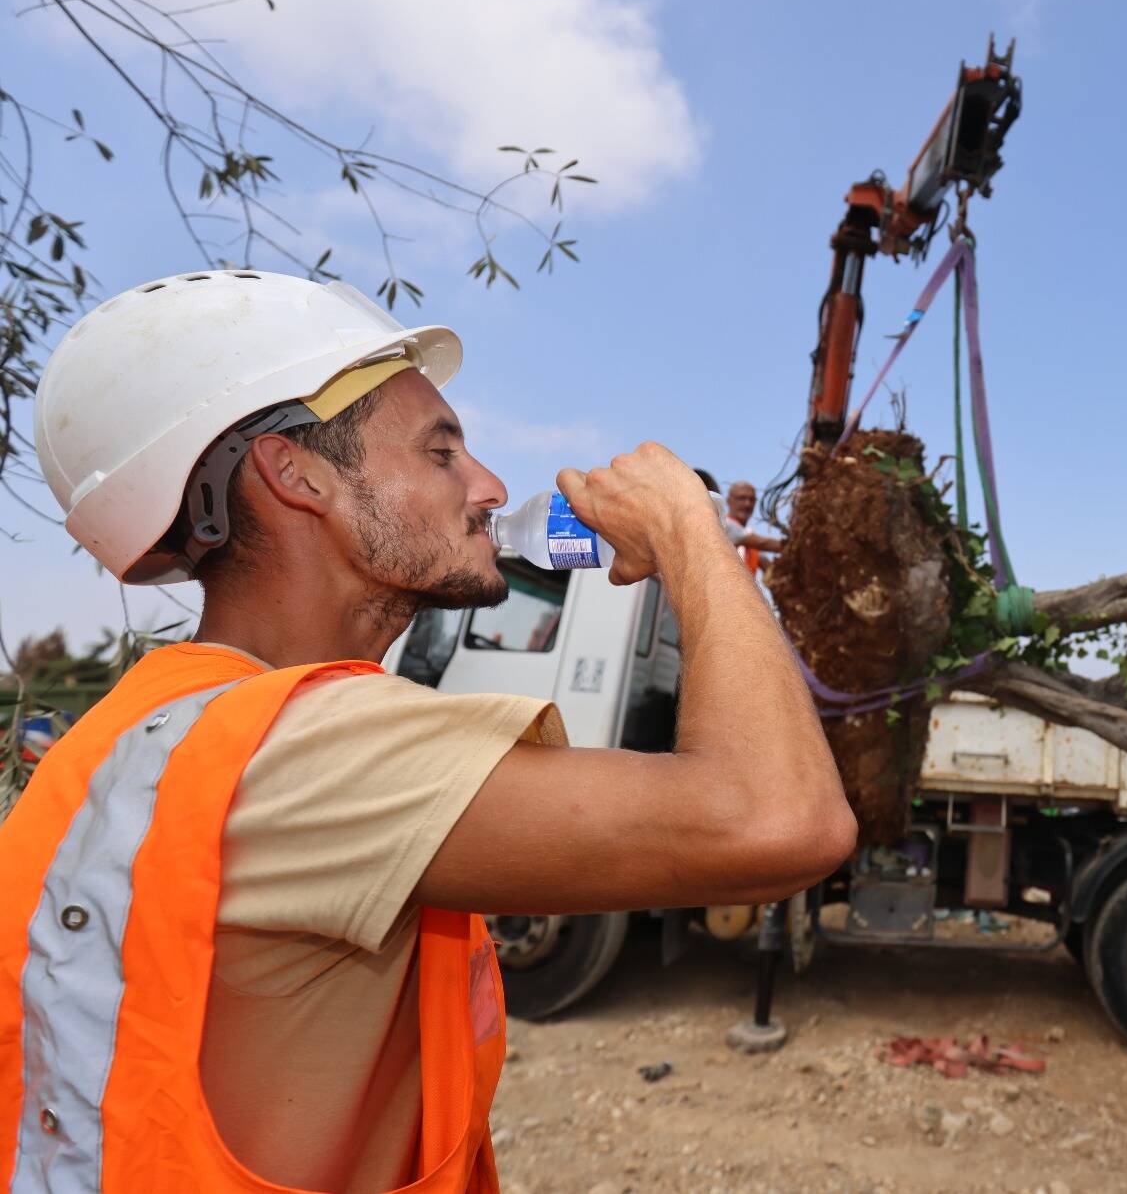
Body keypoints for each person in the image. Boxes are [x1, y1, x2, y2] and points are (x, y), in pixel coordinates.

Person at [1, 271, 855, 1192]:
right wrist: (691, 529)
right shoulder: (311, 745)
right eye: (441, 452)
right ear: (299, 476)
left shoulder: (162, 724)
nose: (489, 486)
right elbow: (781, 818)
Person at [725, 480, 784, 575]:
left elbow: (768, 567)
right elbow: (762, 543)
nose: (747, 504)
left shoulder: (749, 537)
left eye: (752, 500)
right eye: (741, 498)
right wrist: (796, 545)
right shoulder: (724, 525)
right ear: (728, 500)